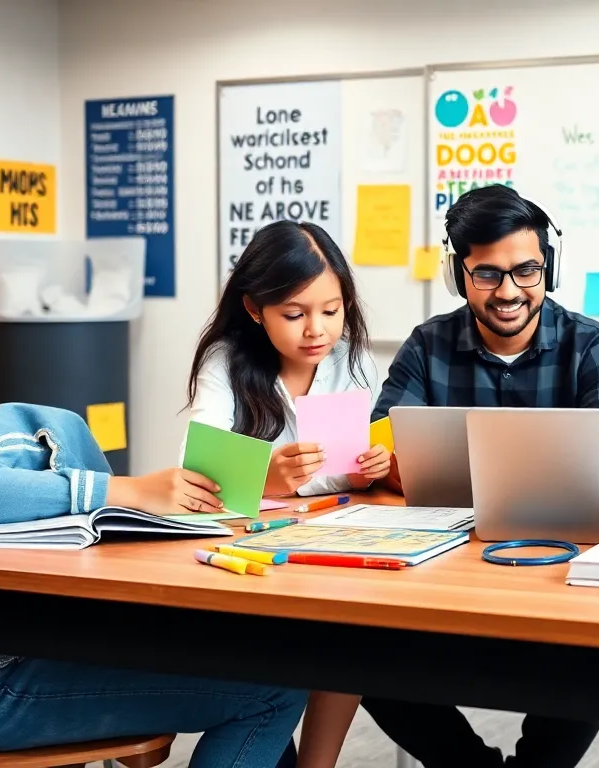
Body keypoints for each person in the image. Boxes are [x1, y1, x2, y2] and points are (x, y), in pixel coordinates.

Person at [364, 184, 599, 767]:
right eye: (487, 275)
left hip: (561, 577)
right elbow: (382, 440)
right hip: (446, 575)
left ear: (548, 268)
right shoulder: (427, 344)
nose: (509, 292)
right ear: (460, 275)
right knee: (361, 654)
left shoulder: (589, 344)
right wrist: (391, 461)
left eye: (526, 271)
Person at [0, 403, 307, 766]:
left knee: (258, 666)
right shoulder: (14, 424)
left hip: (3, 672)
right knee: (273, 694)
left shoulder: (58, 464)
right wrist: (124, 490)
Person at [183, 219, 390, 767]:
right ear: (255, 309)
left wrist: (372, 468)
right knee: (272, 653)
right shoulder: (226, 362)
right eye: (294, 315)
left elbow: (348, 466)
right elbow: (198, 467)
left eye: (332, 309)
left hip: (331, 539)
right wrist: (263, 476)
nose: (316, 330)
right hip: (248, 552)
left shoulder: (352, 361)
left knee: (351, 631)